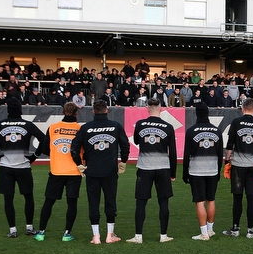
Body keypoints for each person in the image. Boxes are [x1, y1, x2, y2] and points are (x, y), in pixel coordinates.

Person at [0, 98, 46, 237]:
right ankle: (29, 227)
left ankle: (12, 230)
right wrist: (35, 155)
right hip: (23, 166)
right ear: (20, 109)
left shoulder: (0, 124)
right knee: (28, 197)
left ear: (8, 110)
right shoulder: (27, 125)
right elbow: (44, 139)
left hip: (5, 166)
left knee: (8, 199)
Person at [71, 99, 129, 244]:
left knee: (93, 202)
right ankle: (110, 235)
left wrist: (79, 164)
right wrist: (123, 161)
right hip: (110, 170)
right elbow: (125, 145)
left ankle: (96, 236)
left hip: (92, 171)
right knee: (110, 201)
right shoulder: (115, 126)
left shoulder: (85, 128)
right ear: (106, 110)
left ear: (93, 111)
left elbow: (74, 148)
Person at [127, 98, 178, 244]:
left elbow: (136, 141)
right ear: (161, 108)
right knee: (163, 202)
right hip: (163, 168)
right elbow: (173, 152)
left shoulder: (140, 124)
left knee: (141, 202)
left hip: (144, 168)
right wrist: (173, 173)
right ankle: (163, 235)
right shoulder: (168, 126)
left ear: (147, 108)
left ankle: (138, 236)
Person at [33, 102, 83, 242]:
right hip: (74, 171)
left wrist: (56, 154)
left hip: (56, 170)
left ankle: (41, 232)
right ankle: (67, 234)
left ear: (63, 112)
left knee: (49, 202)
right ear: (76, 113)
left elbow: (44, 149)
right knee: (71, 203)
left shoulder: (53, 128)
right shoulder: (80, 129)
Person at [222, 99, 253, 239]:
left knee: (237, 199)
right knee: (251, 199)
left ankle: (235, 229)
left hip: (238, 166)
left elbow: (230, 144)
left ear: (242, 108)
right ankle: (250, 231)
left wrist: (227, 161)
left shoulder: (236, 122)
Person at [184, 104, 223, 240]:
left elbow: (186, 154)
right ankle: (210, 230)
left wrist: (185, 172)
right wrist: (218, 171)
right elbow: (220, 154)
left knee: (200, 201)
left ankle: (204, 233)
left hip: (196, 171)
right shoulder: (217, 131)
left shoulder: (191, 131)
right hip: (212, 170)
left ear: (196, 113)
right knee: (211, 199)